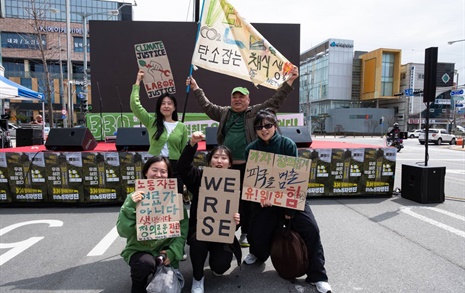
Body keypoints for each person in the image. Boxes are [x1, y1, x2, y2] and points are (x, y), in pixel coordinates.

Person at [186, 66, 299, 247]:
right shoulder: (224, 113)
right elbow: (206, 106)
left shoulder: (255, 112)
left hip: (249, 164)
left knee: (249, 202)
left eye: (241, 97)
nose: (237, 100)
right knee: (227, 199)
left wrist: (290, 81)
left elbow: (276, 100)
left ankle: (246, 233)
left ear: (248, 99)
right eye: (234, 97)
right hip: (227, 166)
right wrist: (195, 88)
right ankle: (224, 233)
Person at [243, 108, 332, 293]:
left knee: (311, 229)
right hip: (265, 201)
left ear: (275, 126)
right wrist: (260, 198)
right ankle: (257, 254)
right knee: (257, 231)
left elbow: (294, 177)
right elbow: (252, 179)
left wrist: (289, 210)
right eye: (259, 126)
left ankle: (318, 275)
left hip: (290, 198)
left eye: (268, 125)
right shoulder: (251, 149)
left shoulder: (287, 144)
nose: (264, 129)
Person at [177, 131, 242, 293]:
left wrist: (237, 220)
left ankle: (216, 261)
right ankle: (198, 278)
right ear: (210, 161)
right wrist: (191, 144)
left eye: (224, 158)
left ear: (230, 163)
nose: (220, 161)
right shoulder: (200, 177)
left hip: (222, 234)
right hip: (200, 231)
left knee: (220, 268)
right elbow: (183, 168)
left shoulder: (235, 183)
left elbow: (240, 215)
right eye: (216, 157)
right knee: (198, 242)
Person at [116, 156, 189, 293]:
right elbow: (123, 231)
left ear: (168, 175)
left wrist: (173, 252)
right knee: (144, 264)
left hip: (165, 251)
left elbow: (182, 232)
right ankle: (138, 285)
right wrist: (130, 206)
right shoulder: (133, 198)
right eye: (154, 170)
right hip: (140, 249)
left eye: (163, 171)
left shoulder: (175, 199)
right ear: (145, 172)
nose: (158, 175)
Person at [131, 70, 188, 196]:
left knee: (174, 201)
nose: (166, 106)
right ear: (159, 107)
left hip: (175, 167)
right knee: (153, 199)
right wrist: (138, 82)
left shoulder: (181, 127)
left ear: (174, 107)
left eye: (169, 103)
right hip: (155, 166)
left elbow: (185, 152)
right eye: (163, 103)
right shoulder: (152, 122)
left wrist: (185, 175)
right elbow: (135, 105)